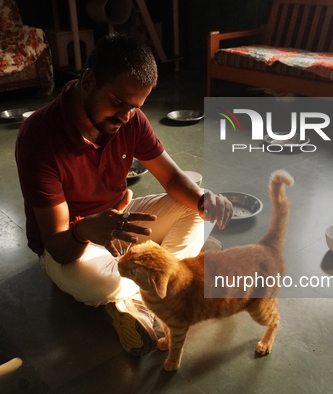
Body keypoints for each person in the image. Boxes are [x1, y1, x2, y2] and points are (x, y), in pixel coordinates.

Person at [15, 33, 232, 357]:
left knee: (194, 207)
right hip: (73, 240)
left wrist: (203, 200)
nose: (126, 117)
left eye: (135, 107)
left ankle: (137, 298)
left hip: (121, 218)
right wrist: (86, 229)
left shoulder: (130, 119)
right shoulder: (40, 139)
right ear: (88, 80)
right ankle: (166, 277)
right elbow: (56, 245)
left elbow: (172, 176)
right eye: (118, 103)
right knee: (97, 283)